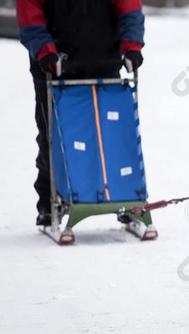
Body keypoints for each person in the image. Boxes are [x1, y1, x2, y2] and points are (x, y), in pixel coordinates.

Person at [16, 0, 145, 226]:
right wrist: (45, 50)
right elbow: (29, 13)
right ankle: (49, 202)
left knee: (113, 134)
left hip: (104, 58)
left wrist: (132, 45)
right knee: (53, 135)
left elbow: (130, 8)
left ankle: (124, 196)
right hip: (55, 64)